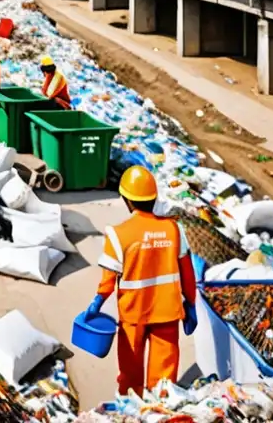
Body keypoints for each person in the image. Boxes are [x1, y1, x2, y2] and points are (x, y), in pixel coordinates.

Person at [85, 166, 197, 396]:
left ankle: (132, 411)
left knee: (130, 373)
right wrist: (191, 304)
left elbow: (108, 278)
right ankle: (160, 413)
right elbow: (187, 272)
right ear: (154, 198)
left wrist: (97, 302)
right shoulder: (173, 229)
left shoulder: (118, 234)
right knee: (164, 378)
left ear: (126, 200)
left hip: (133, 315)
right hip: (167, 312)